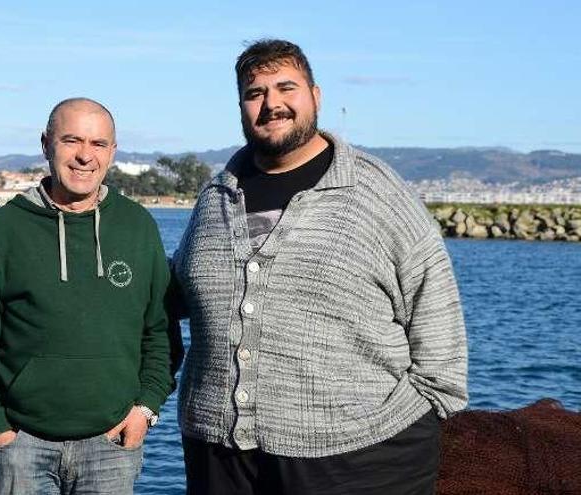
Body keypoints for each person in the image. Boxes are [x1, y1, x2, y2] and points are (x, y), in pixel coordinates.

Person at [170, 39, 468, 494]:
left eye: (286, 87)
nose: (272, 104)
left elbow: (436, 319)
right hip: (219, 456)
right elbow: (178, 295)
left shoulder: (376, 192)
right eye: (256, 93)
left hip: (359, 461)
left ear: (316, 95)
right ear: (241, 106)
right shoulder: (217, 195)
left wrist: (415, 420)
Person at [0, 97, 178, 494]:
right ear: (46, 145)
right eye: (72, 141)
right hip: (21, 448)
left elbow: (160, 331)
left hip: (112, 447)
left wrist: (146, 409)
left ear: (112, 152)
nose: (85, 157)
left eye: (98, 144)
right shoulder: (2, 230)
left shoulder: (137, 226)